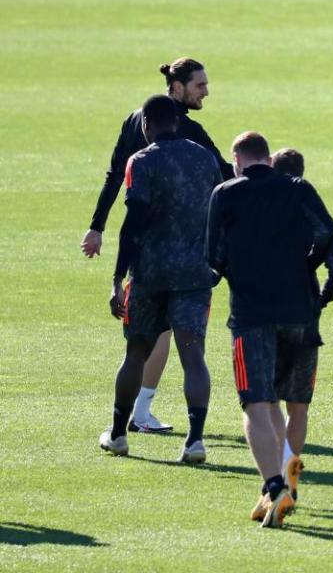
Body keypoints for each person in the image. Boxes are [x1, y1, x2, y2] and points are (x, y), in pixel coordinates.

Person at [82, 57, 234, 433]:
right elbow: (227, 179)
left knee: (141, 344)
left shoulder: (137, 120)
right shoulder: (190, 134)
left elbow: (116, 176)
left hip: (145, 257)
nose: (206, 92)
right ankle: (148, 415)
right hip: (184, 256)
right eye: (200, 85)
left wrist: (97, 227)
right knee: (181, 346)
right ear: (178, 87)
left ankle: (125, 424)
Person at [207, 133, 333, 528]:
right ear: (267, 158)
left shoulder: (225, 193)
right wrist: (305, 266)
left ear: (237, 160)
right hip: (300, 311)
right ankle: (284, 484)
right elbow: (326, 232)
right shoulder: (298, 188)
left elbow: (212, 255)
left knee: (257, 402)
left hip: (252, 314)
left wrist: (239, 270)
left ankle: (274, 487)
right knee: (292, 404)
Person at [98, 95, 222, 464]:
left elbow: (132, 224)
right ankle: (195, 441)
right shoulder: (204, 157)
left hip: (150, 274)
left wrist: (117, 277)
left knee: (135, 353)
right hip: (195, 273)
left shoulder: (141, 161)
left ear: (146, 125)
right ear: (177, 122)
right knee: (193, 356)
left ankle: (119, 435)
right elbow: (219, 211)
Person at [270, 147, 333, 484]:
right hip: (304, 315)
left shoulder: (262, 209)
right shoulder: (313, 213)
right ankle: (290, 471)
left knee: (266, 400)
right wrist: (320, 301)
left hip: (266, 312)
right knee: (298, 405)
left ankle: (273, 472)